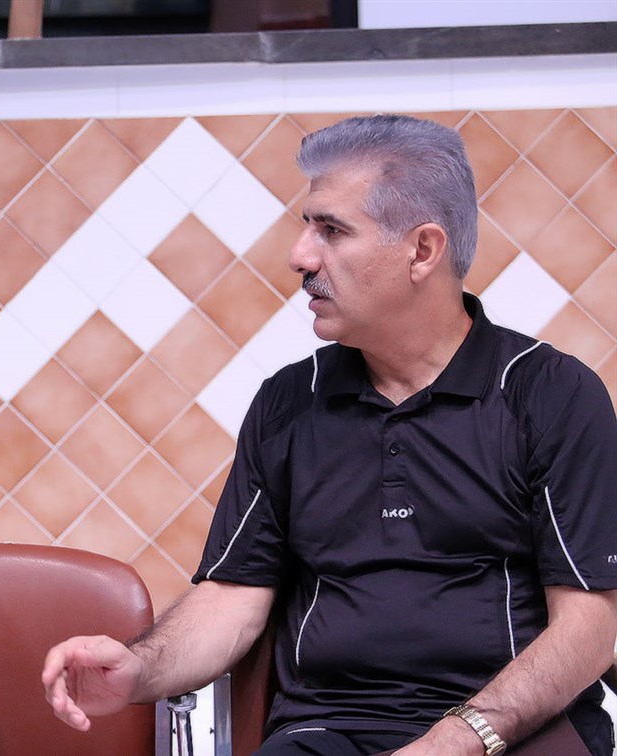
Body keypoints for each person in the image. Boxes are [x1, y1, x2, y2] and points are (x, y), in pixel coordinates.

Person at [42, 114, 617, 755]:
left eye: (332, 230)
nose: (300, 256)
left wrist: (453, 741)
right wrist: (138, 668)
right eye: (307, 226)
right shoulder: (290, 402)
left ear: (422, 251)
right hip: (329, 731)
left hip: (513, 732)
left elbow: (591, 627)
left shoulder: (550, 394)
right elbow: (233, 596)